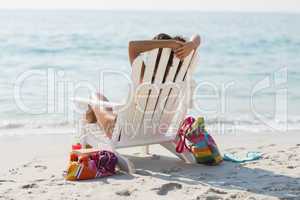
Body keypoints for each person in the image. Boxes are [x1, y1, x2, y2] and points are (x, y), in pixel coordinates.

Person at [86, 33, 201, 139]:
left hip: (122, 132)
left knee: (94, 97)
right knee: (111, 108)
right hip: (158, 131)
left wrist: (169, 44)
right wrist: (191, 44)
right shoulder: (180, 77)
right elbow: (197, 36)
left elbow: (132, 46)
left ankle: (86, 146)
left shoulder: (144, 75)